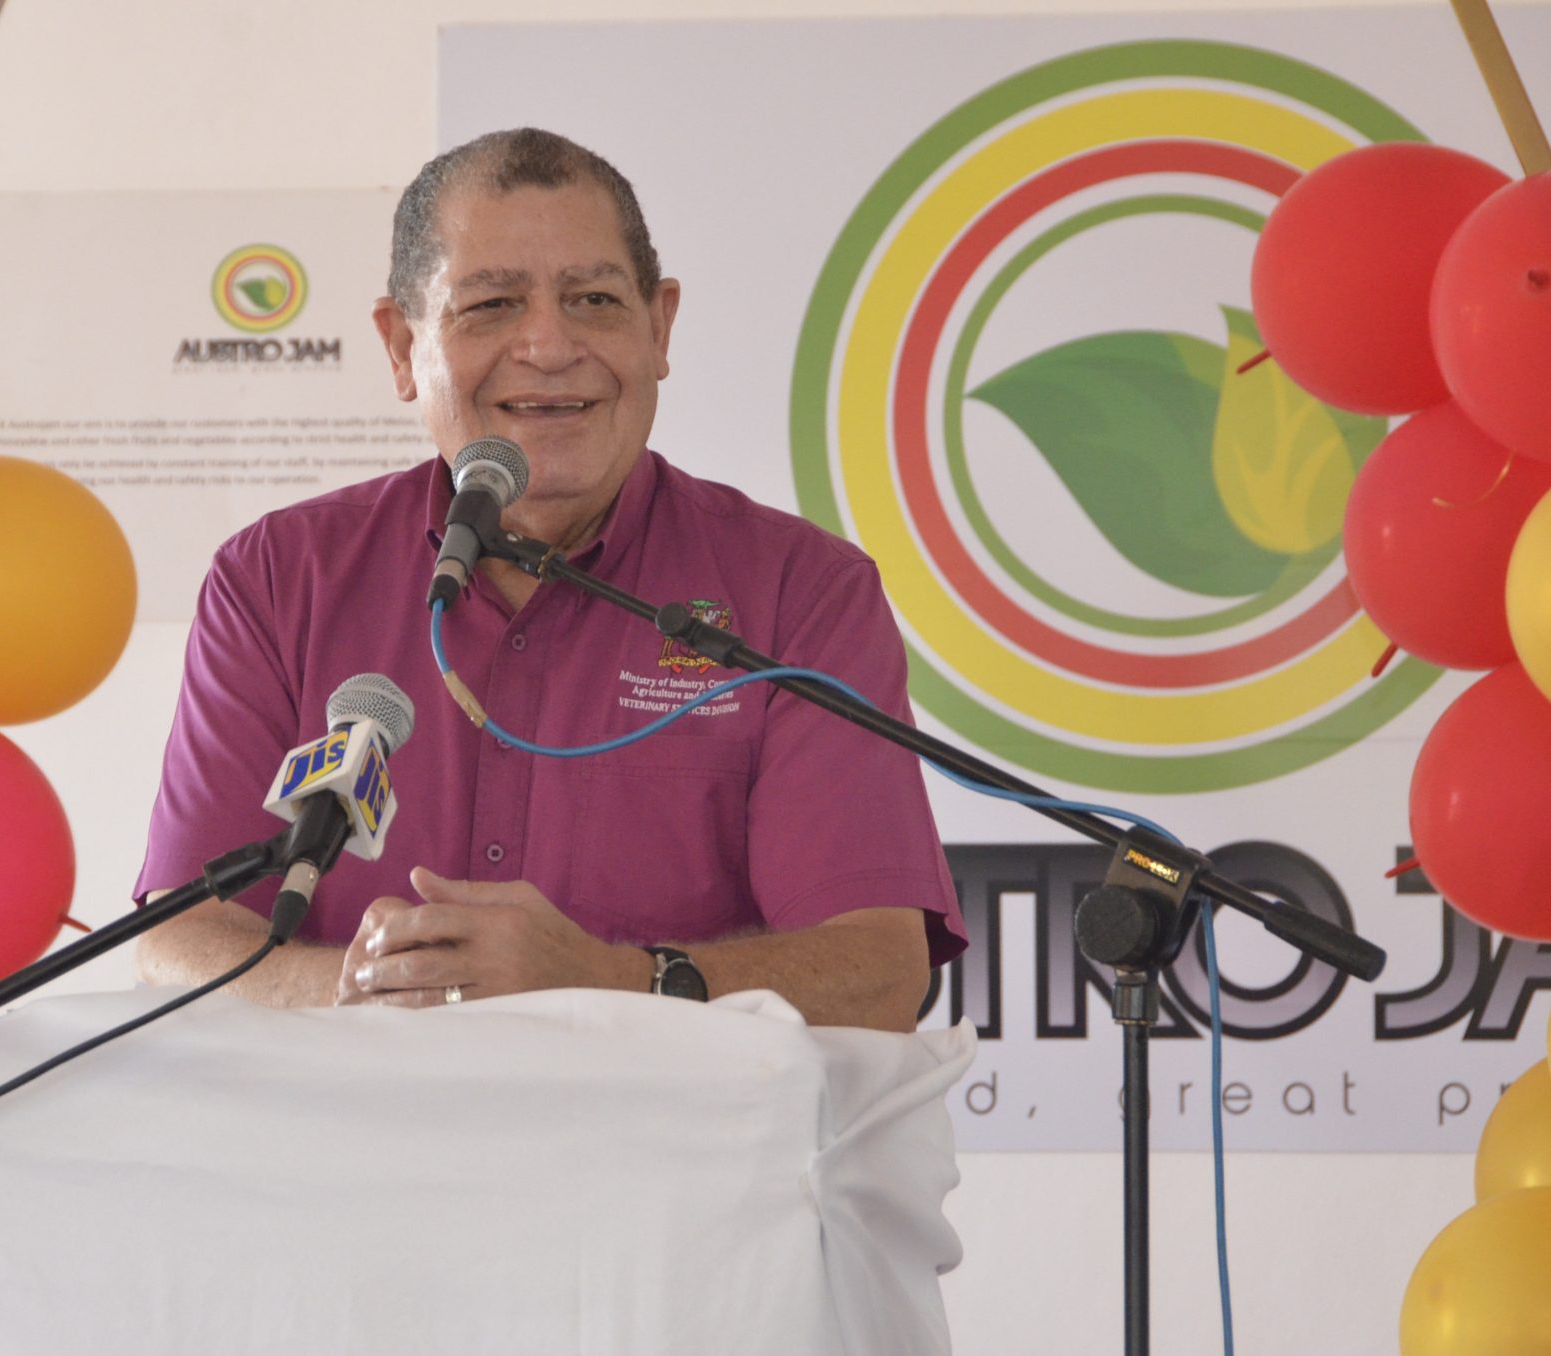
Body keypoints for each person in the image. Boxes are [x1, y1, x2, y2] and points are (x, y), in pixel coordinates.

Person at [133, 128, 963, 1031]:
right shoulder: (278, 580)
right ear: (402, 348)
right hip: (350, 1157)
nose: (548, 346)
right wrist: (359, 990)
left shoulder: (800, 592)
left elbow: (879, 972)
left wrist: (611, 980)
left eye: (595, 299)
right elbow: (179, 944)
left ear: (659, 328)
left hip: (673, 1165)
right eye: (489, 306)